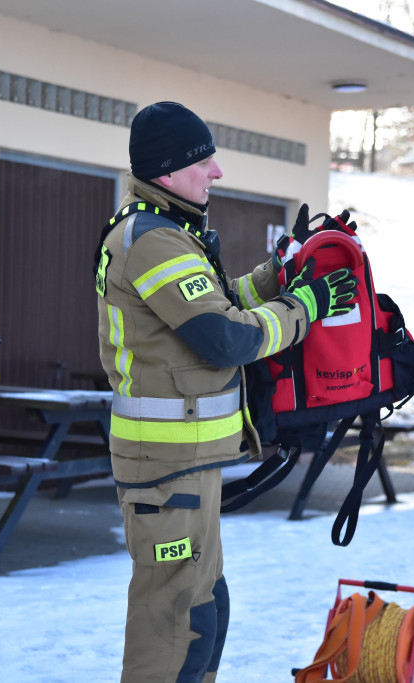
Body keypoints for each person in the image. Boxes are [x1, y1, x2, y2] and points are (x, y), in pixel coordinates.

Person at [94, 101, 357, 682]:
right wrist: (305, 307)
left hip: (188, 464)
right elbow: (223, 338)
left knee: (205, 610)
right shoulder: (151, 240)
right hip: (166, 469)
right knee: (176, 623)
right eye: (203, 159)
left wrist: (278, 271)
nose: (216, 171)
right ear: (167, 170)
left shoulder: (169, 233)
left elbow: (219, 303)